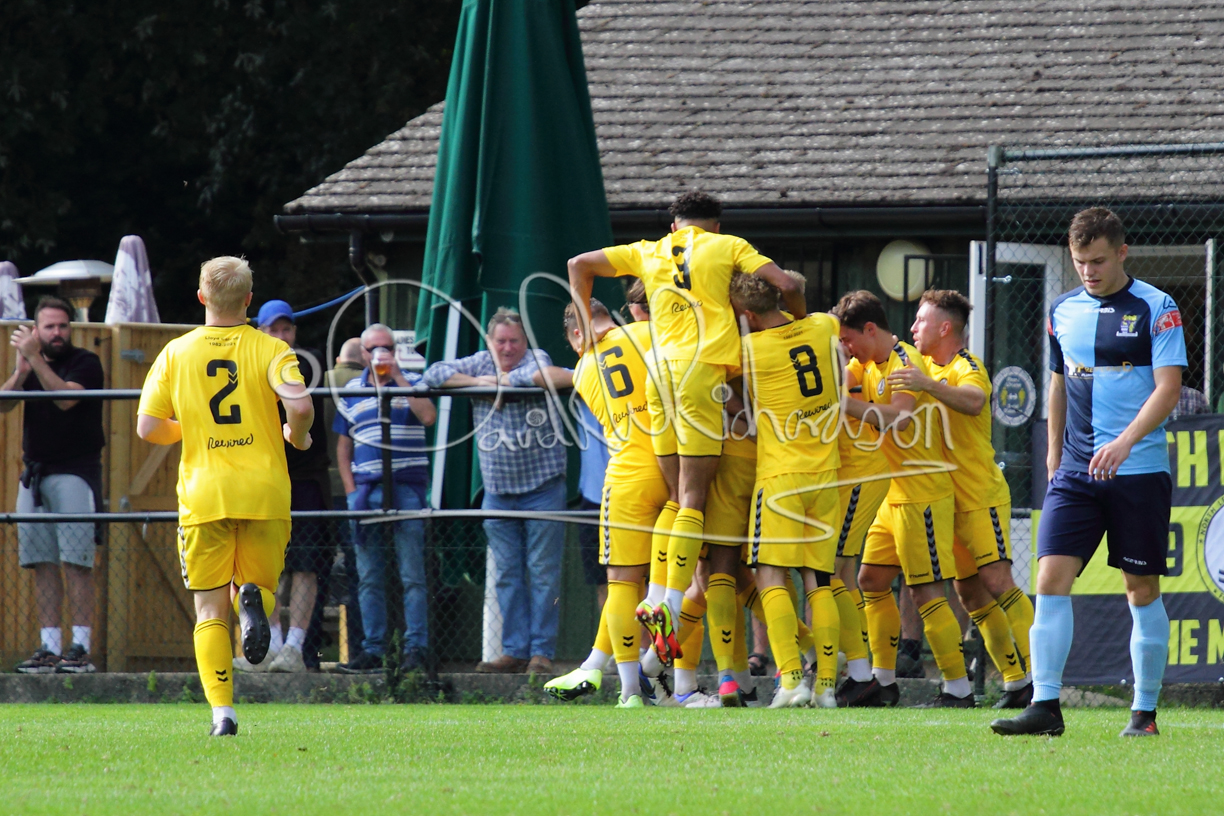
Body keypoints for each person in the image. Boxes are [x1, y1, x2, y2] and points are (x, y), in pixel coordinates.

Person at [568, 190, 804, 665]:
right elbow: (784, 282)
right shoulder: (728, 246)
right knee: (694, 503)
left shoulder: (649, 250)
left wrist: (586, 322)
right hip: (701, 375)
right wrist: (799, 320)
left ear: (674, 226)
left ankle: (658, 643)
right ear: (715, 226)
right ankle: (666, 607)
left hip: (659, 376)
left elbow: (578, 264)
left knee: (680, 500)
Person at [992, 207, 1184, 738]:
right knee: (1049, 579)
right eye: (1080, 262)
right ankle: (1045, 706)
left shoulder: (1158, 308)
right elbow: (1057, 383)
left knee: (1140, 588)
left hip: (1138, 470)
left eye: (1098, 261)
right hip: (1076, 472)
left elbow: (1168, 388)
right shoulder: (1062, 310)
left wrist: (1124, 442)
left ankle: (1143, 714)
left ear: (1122, 252)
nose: (1088, 271)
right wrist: (1053, 456)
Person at [137, 256, 314, 736]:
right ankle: (250, 601)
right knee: (261, 591)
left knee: (209, 610)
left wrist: (188, 428)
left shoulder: (176, 352)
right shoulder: (272, 349)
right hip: (263, 492)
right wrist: (297, 438)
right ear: (249, 300)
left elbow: (148, 427)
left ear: (201, 297)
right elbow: (300, 406)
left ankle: (223, 714)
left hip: (205, 494)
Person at [889, 289, 1036, 708]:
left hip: (978, 496)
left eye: (921, 320)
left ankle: (1040, 681)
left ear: (944, 328)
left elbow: (975, 401)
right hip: (943, 502)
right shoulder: (921, 367)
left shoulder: (965, 366)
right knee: (969, 594)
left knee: (999, 583)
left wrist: (926, 385)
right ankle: (1014, 683)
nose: (913, 328)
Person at [835, 290, 973, 708]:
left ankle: (958, 688)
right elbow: (838, 379)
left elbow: (898, 417)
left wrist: (843, 406)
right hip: (892, 492)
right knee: (870, 581)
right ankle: (882, 680)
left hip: (922, 493)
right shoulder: (863, 363)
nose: (847, 347)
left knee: (926, 592)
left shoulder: (904, 362)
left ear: (870, 330)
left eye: (848, 339)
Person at [423, 308, 566, 675]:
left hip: (543, 487)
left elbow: (537, 375)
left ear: (525, 341)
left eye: (514, 341)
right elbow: (433, 373)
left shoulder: (536, 358)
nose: (507, 347)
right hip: (498, 491)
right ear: (490, 341)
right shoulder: (480, 361)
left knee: (543, 573)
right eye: (500, 341)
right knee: (506, 574)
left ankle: (541, 653)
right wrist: (481, 382)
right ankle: (515, 651)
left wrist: (501, 384)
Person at [541, 299, 668, 707]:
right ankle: (683, 679)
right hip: (678, 470)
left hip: (628, 477)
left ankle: (629, 690)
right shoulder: (648, 333)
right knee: (692, 580)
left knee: (622, 584)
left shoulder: (582, 370)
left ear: (576, 335)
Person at [732, 273, 843, 708]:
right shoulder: (824, 325)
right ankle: (827, 686)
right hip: (826, 474)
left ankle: (792, 680)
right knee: (819, 579)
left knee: (770, 575)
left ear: (746, 313)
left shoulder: (748, 349)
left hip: (781, 475)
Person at [2, 297, 105, 674]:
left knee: (76, 563)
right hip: (34, 476)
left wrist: (36, 360)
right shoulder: (31, 364)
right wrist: (20, 371)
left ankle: (79, 649)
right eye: (49, 327)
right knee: (41, 563)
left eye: (63, 326)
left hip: (75, 472)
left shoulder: (86, 362)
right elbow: (3, 404)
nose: (57, 333)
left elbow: (65, 398)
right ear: (36, 330)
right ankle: (49, 647)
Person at [334, 323, 436, 673]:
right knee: (368, 576)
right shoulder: (351, 390)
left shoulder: (412, 382)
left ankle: (416, 650)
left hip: (407, 488)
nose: (382, 354)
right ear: (363, 353)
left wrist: (399, 378)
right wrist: (351, 492)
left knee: (413, 574)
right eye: (375, 348)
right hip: (366, 491)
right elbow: (343, 447)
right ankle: (373, 651)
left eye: (388, 347)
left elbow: (429, 416)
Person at [240, 299, 333, 673]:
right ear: (260, 331)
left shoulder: (307, 363)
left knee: (305, 566)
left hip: (306, 482)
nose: (281, 336)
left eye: (286, 329)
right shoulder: (248, 367)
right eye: (273, 329)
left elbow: (299, 401)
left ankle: (294, 648)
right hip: (264, 479)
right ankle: (270, 646)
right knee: (265, 568)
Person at [326, 338, 367, 661]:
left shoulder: (322, 381)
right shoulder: (366, 384)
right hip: (355, 489)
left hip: (318, 487)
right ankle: (356, 651)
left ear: (339, 359)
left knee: (310, 571)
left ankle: (305, 653)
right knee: (359, 571)